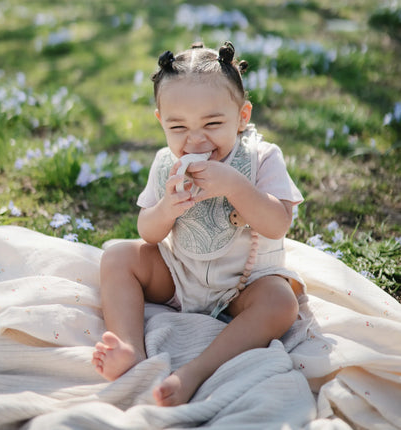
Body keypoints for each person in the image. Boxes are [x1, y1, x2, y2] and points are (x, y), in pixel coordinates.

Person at [92, 41, 306, 407]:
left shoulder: (261, 157)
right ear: (161, 120)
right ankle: (130, 347)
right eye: (178, 127)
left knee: (281, 302)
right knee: (118, 257)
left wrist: (235, 186)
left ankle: (196, 370)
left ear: (242, 116)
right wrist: (167, 209)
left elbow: (277, 224)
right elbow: (148, 231)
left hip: (243, 284)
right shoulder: (165, 162)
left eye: (212, 123)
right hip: (179, 275)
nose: (195, 139)